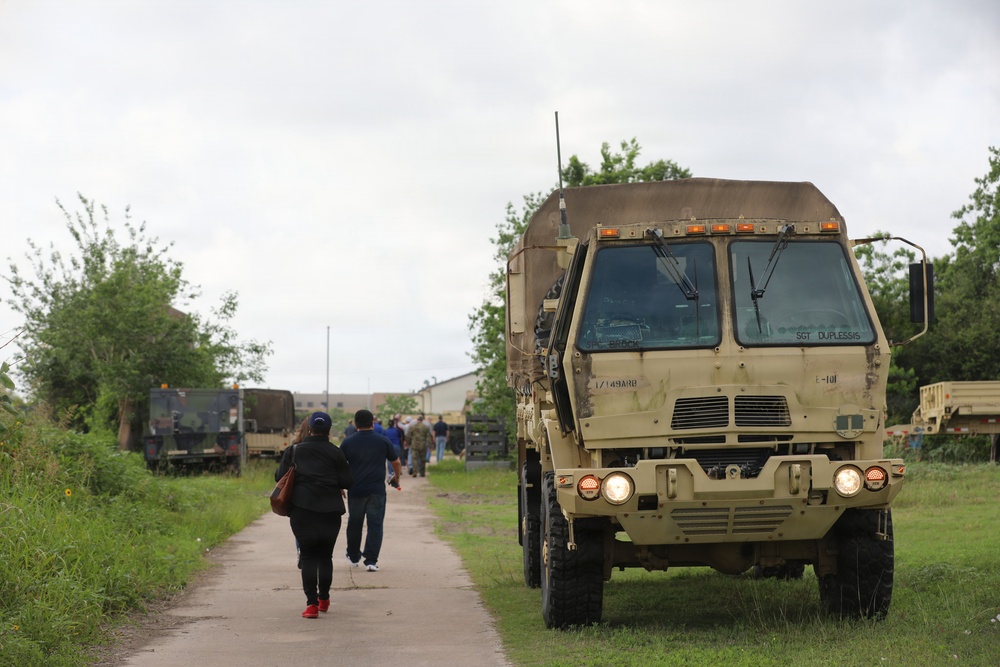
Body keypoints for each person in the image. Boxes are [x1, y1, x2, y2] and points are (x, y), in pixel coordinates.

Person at [274, 411, 353, 619]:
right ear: (328, 429)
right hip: (330, 510)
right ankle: (324, 598)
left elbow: (278, 476)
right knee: (325, 556)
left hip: (302, 510)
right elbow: (347, 482)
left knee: (308, 556)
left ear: (309, 429)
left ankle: (311, 605)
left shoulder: (294, 451)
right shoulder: (336, 453)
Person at [340, 409, 402, 572]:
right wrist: (397, 477)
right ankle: (371, 560)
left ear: (355, 423)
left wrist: (340, 485)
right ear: (372, 424)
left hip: (356, 489)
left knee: (355, 523)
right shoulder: (383, 440)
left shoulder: (348, 442)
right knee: (375, 525)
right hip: (376, 490)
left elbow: (339, 466)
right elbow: (396, 462)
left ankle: (353, 557)